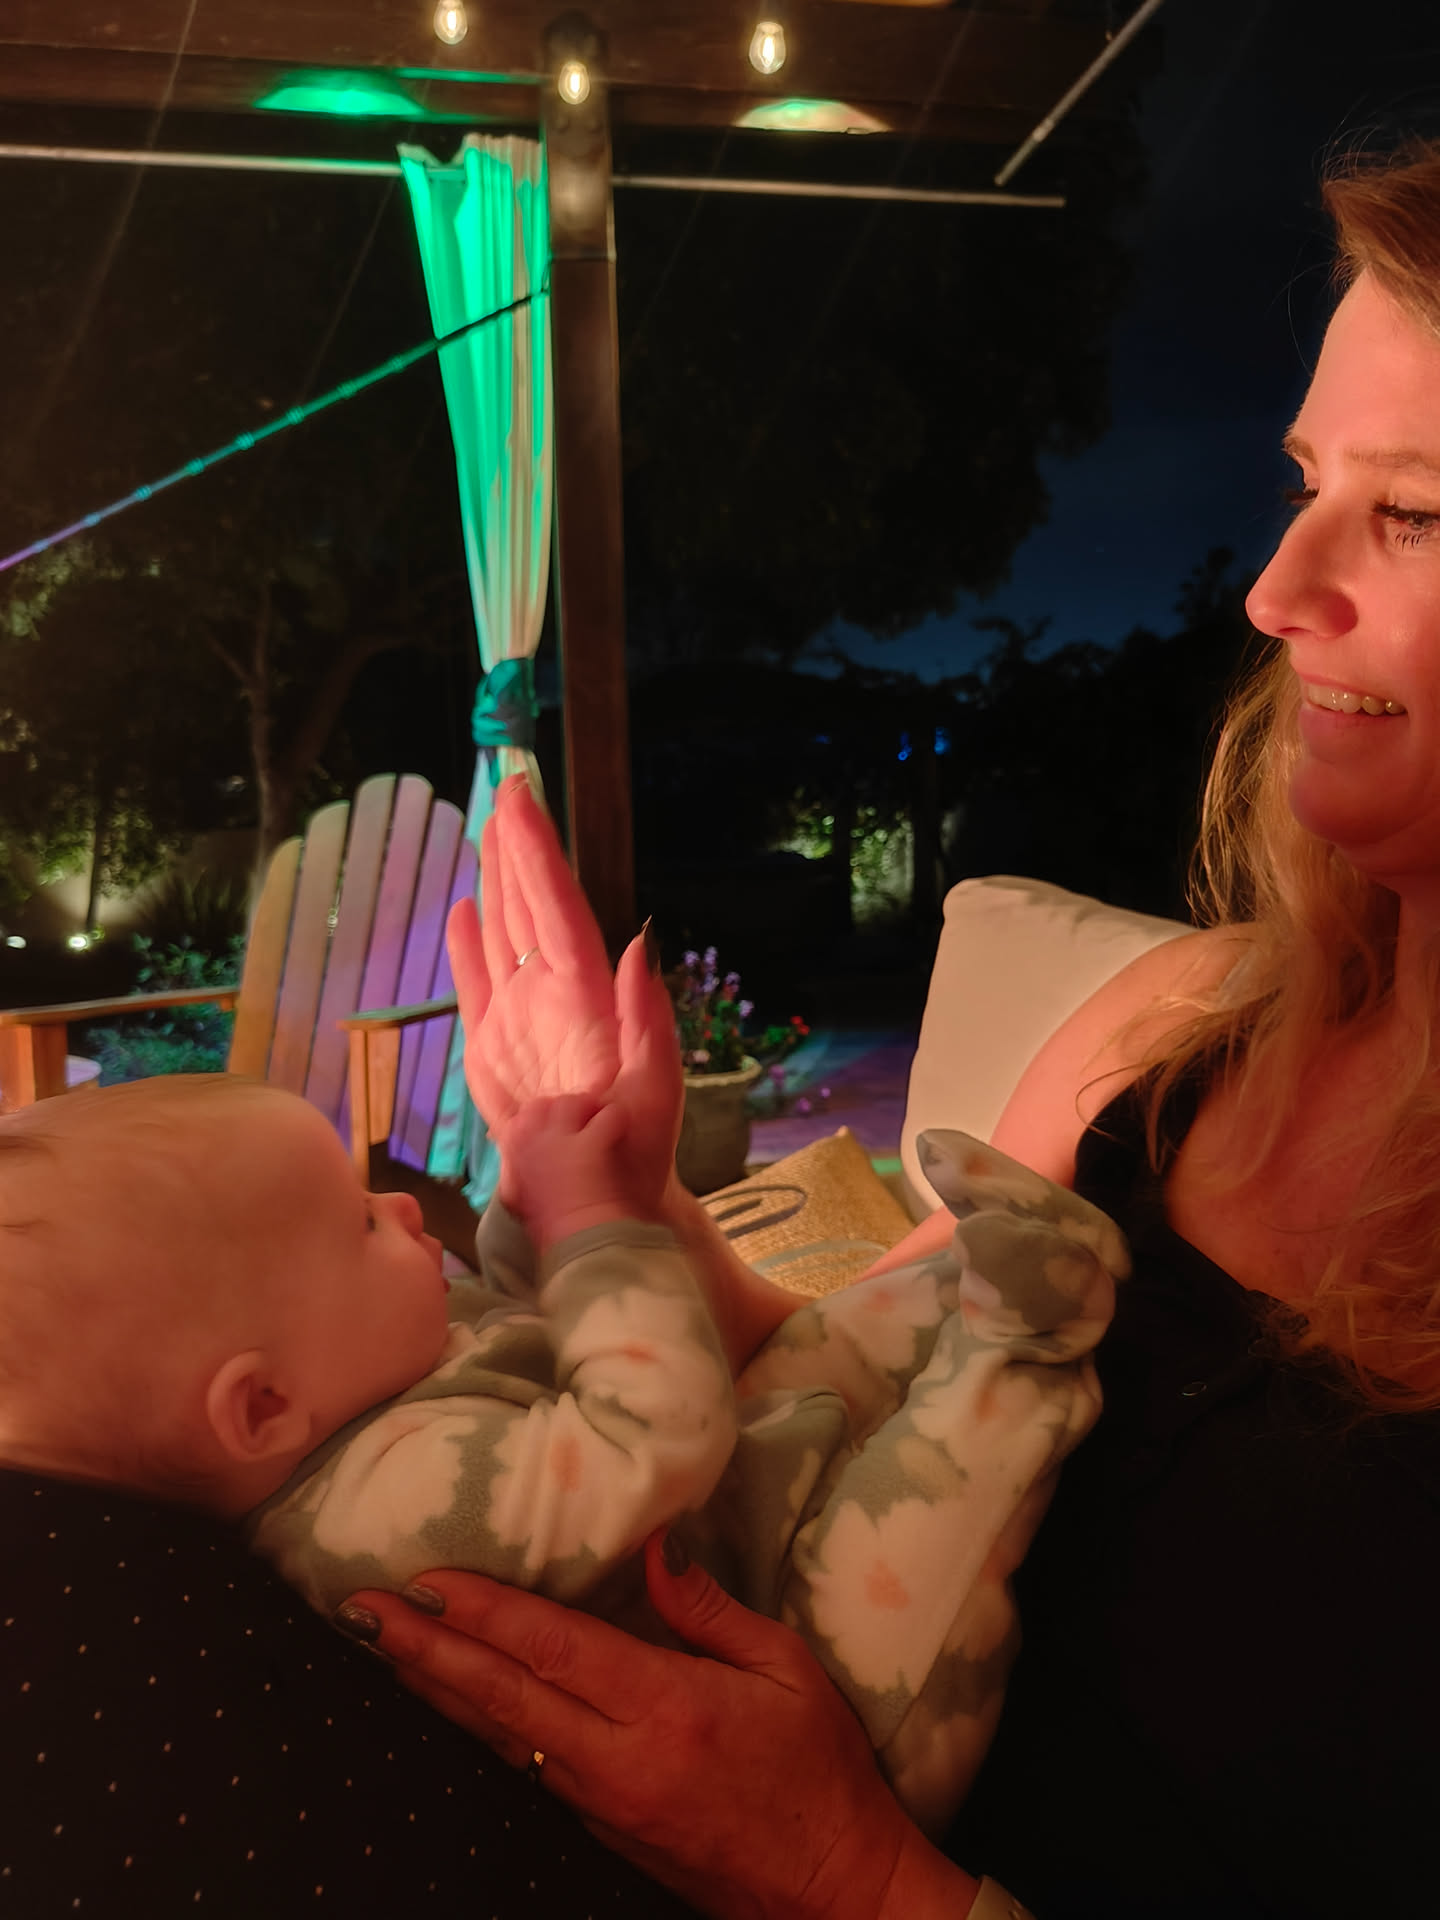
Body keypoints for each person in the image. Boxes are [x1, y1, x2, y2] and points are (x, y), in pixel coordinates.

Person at [349, 146, 1440, 1920]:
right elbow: (849, 1372)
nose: (1273, 588)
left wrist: (845, 1875)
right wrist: (613, 1189)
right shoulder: (1184, 1029)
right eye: (1308, 482)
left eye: (1415, 515)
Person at [0, 1053, 1123, 1839]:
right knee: (926, 1514)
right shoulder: (384, 1525)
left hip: (752, 1527)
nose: (405, 1210)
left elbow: (517, 1330)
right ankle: (1026, 1348)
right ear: (261, 1407)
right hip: (827, 1719)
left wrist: (535, 1219)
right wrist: (593, 1231)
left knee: (820, 1341)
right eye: (359, 1222)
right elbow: (653, 1433)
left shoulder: (358, 1394)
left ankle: (963, 1283)